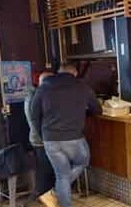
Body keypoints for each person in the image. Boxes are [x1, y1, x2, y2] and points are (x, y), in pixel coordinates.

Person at [31, 63, 102, 207]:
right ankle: (56, 191)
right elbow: (97, 110)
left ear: (58, 72)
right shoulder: (82, 86)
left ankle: (58, 192)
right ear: (74, 73)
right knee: (83, 161)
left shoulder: (43, 88)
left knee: (62, 176)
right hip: (74, 137)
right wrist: (82, 110)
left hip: (50, 139)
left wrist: (43, 135)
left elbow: (34, 114)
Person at [25, 71, 57, 207]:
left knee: (46, 169)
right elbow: (36, 120)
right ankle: (43, 197)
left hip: (40, 138)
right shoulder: (37, 96)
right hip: (41, 140)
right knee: (46, 170)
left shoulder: (34, 94)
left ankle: (45, 196)